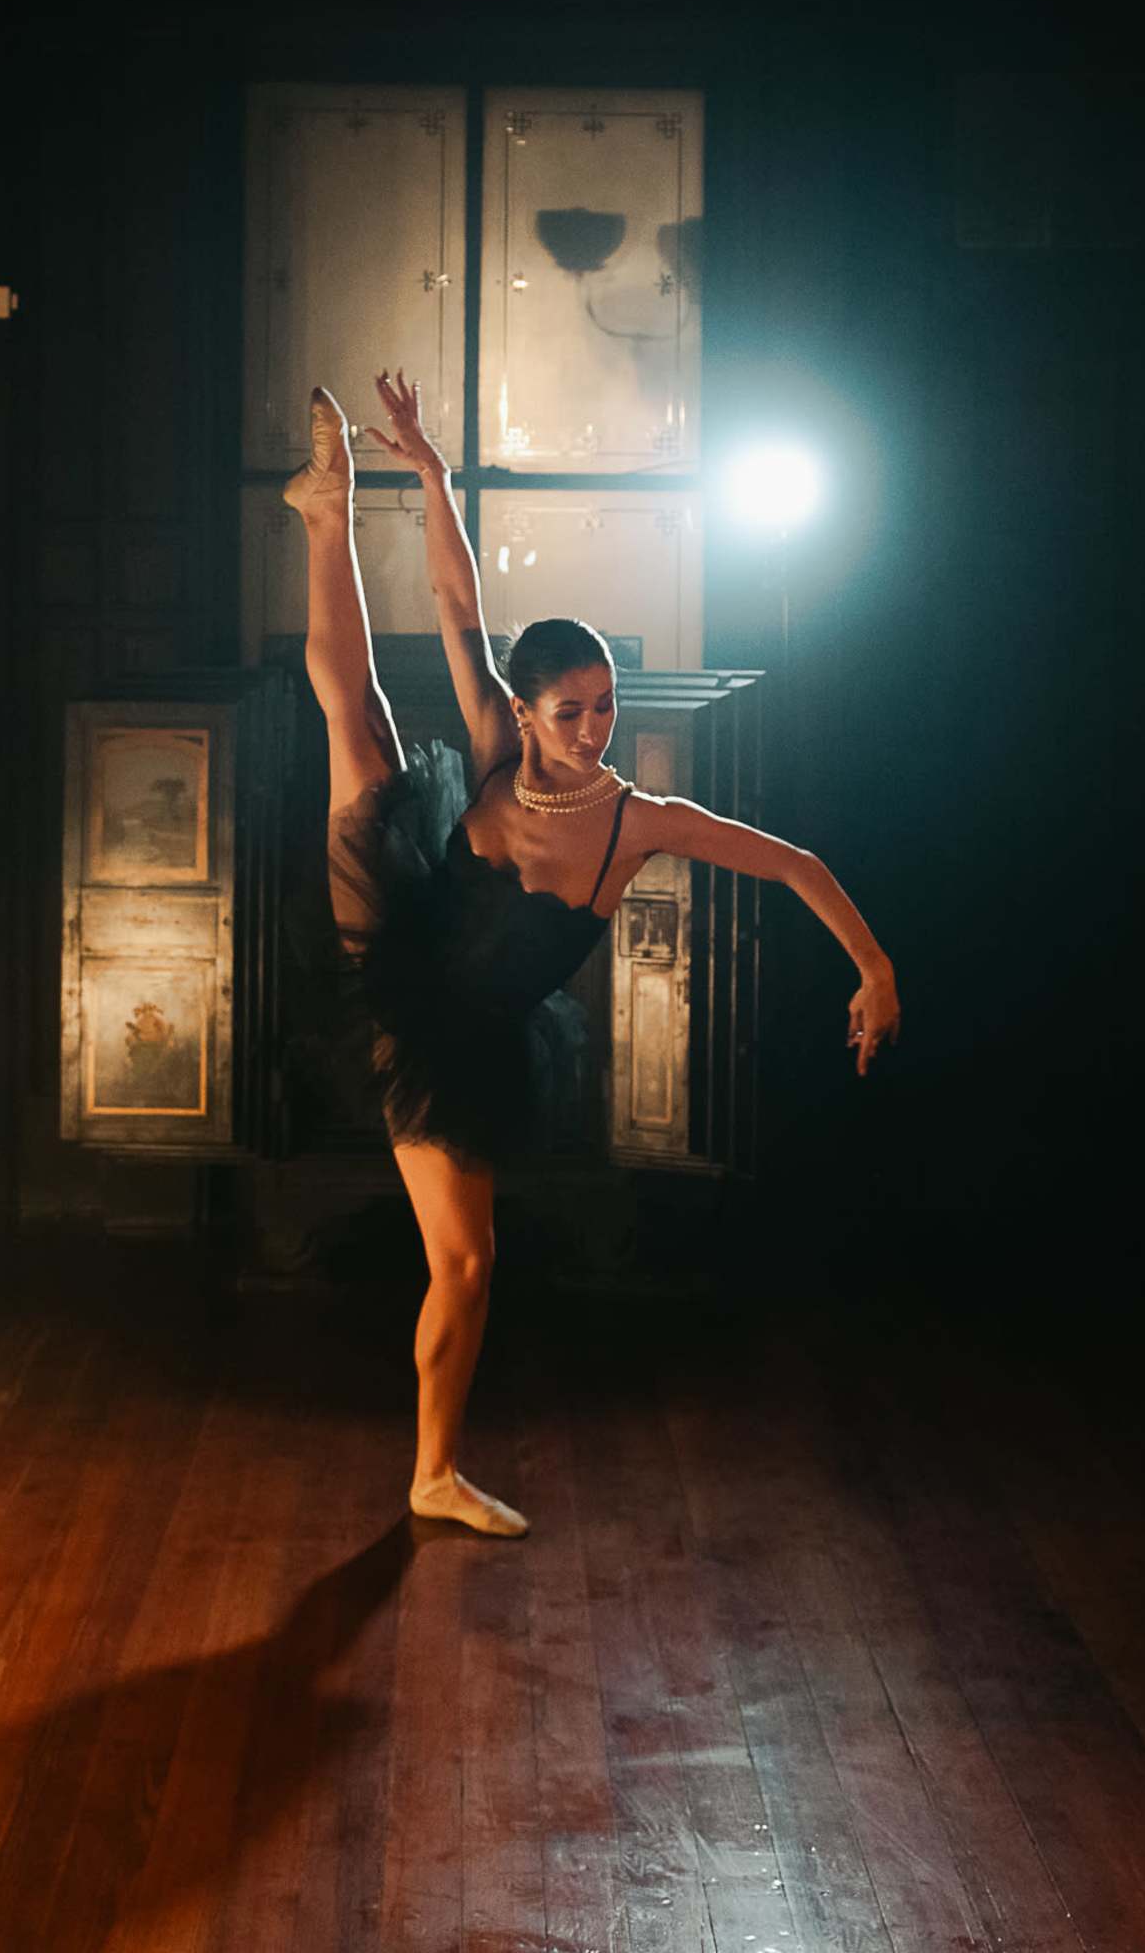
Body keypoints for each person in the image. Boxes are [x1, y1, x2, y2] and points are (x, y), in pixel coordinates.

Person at [285, 373, 901, 1536]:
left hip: (462, 1048)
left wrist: (872, 966)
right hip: (396, 939)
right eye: (569, 711)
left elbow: (791, 861)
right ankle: (329, 506)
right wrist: (427, 471)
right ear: (525, 713)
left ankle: (432, 1472)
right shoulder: (491, 748)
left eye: (605, 707)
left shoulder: (634, 821)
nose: (592, 729)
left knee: (466, 1270)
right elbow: (460, 601)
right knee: (360, 724)